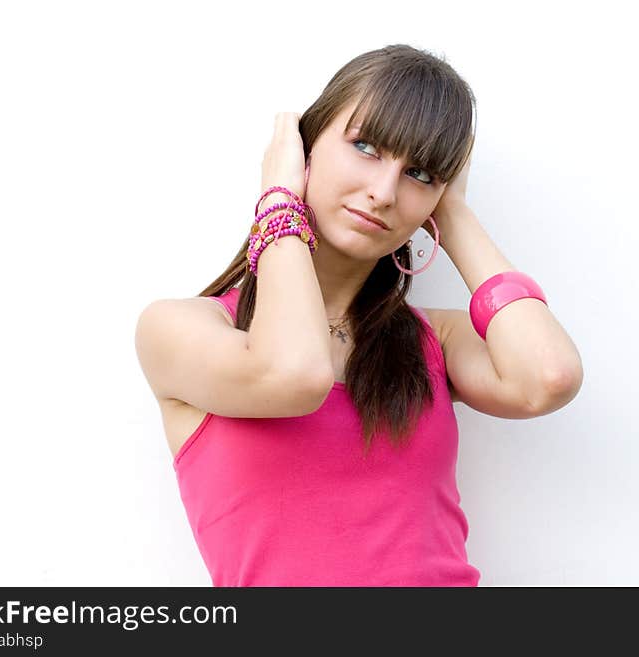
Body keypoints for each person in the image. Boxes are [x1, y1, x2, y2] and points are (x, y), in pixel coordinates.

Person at [134, 44, 583, 586]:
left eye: (419, 173)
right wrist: (279, 198)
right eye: (365, 146)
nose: (384, 192)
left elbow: (548, 378)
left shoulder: (431, 342)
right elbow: (294, 375)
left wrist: (455, 213)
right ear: (306, 147)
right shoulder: (183, 330)